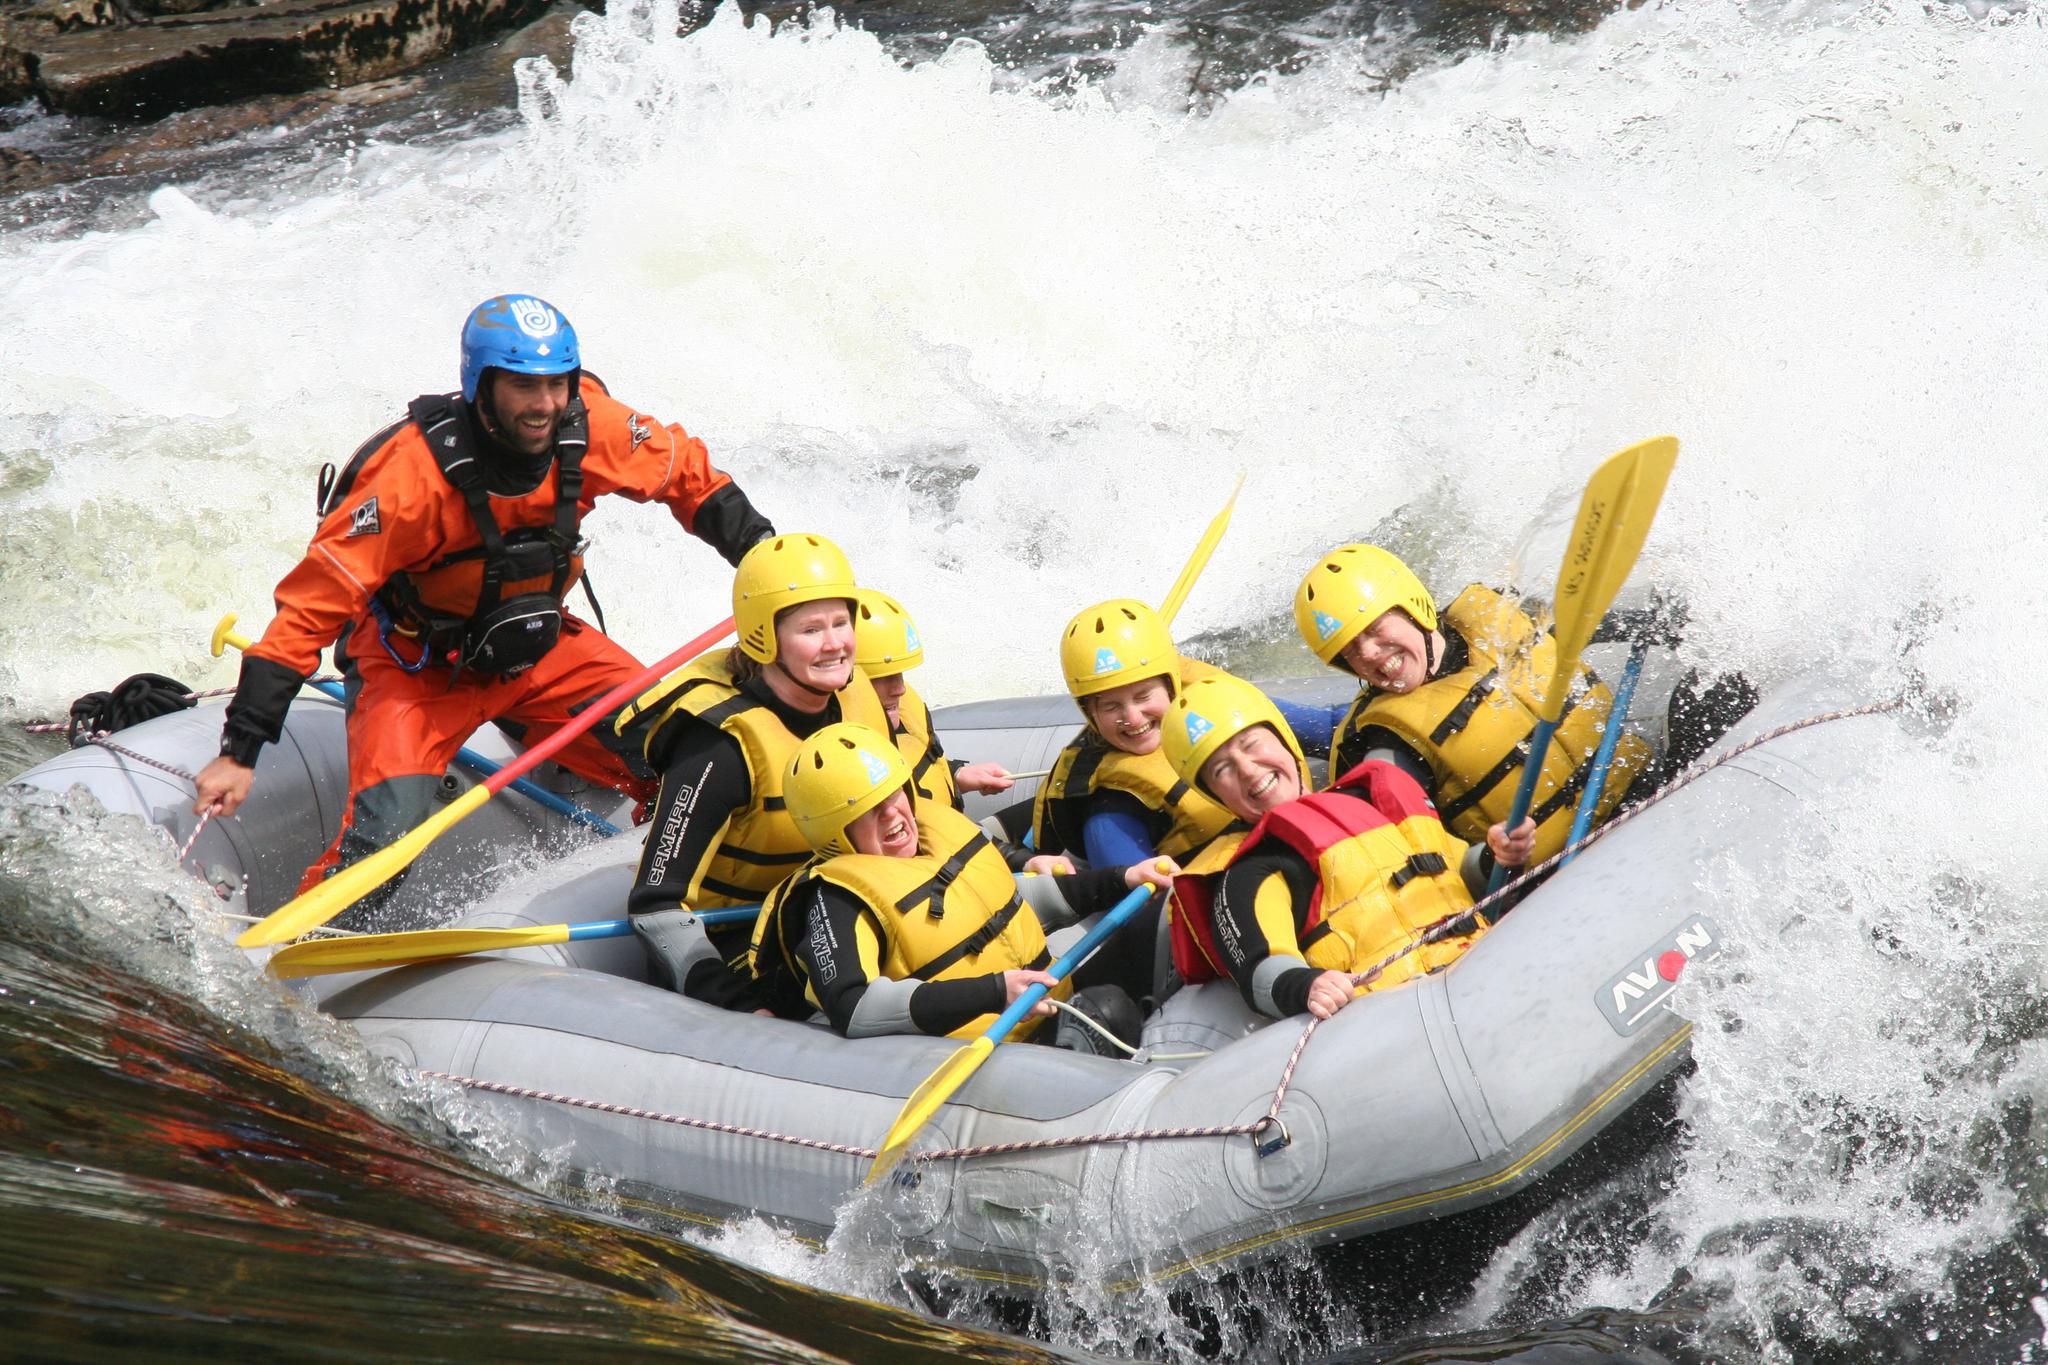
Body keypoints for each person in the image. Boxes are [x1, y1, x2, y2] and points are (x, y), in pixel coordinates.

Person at [190, 294, 772, 927]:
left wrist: (772, 564)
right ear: (481, 384)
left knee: (689, 748)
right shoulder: (408, 478)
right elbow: (309, 612)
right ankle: (295, 946)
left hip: (541, 650)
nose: (545, 404)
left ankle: (689, 884)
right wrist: (239, 750)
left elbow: (691, 479)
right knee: (384, 847)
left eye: (557, 383)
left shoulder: (591, 425)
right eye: (524, 385)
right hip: (415, 670)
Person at [749, 722, 1176, 1043]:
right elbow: (854, 1006)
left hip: (1038, 1006)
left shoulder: (935, 830)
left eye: (894, 795)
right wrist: (993, 992)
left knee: (1138, 951)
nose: (894, 816)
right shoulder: (835, 900)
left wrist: (1122, 878)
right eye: (868, 810)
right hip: (978, 1052)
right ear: (833, 832)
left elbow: (1016, 898)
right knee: (1109, 1009)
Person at [617, 532, 889, 1012]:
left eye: (841, 623)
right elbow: (656, 905)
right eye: (811, 630)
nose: (834, 645)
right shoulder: (721, 748)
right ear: (766, 637)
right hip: (745, 948)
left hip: (842, 911)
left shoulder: (859, 696)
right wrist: (732, 1001)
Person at [1161, 673, 1535, 1021]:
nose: (1246, 768)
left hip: (1485, 960)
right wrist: (1307, 986)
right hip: (1403, 1014)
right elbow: (1261, 971)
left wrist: (1498, 855)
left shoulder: (1376, 798)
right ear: (1215, 797)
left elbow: (1461, 874)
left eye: (1251, 744)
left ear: (1285, 742)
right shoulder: (1252, 870)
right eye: (1222, 770)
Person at [1295, 543, 1651, 869]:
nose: (1369, 653)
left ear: (1410, 607)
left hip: (1642, 790)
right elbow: (1414, 856)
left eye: (1373, 629)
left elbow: (1566, 629)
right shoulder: (1388, 743)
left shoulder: (1492, 615)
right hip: (1554, 875)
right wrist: (1488, 857)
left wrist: (1651, 622)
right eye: (1351, 651)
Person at [852, 589, 1013, 811]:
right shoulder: (835, 762)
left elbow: (913, 765)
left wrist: (957, 774)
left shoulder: (905, 703)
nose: (899, 689)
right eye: (882, 677)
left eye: (899, 673)